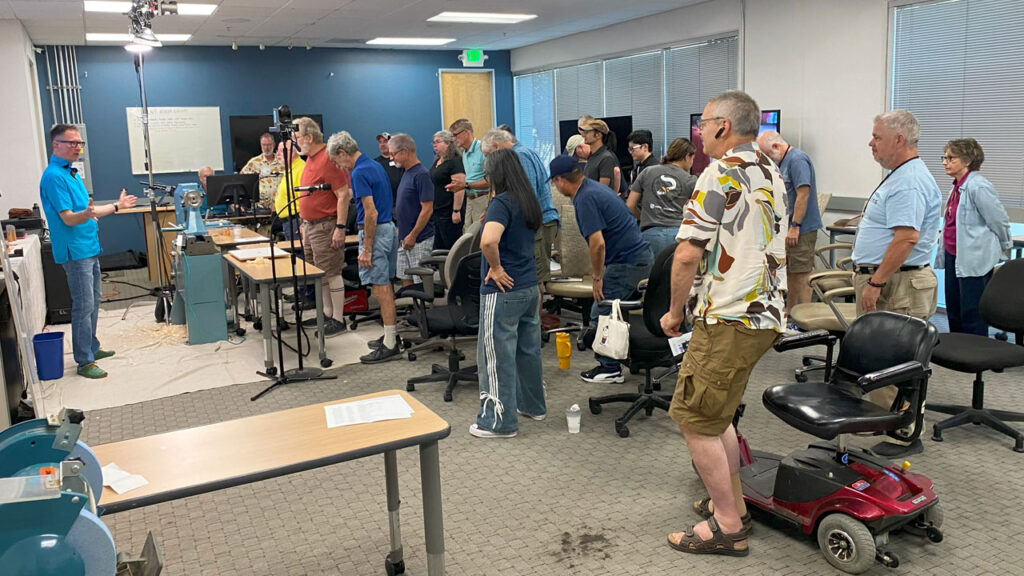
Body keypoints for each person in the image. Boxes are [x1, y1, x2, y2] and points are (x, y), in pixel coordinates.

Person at [659, 90, 787, 557]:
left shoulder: (719, 171)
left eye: (704, 123)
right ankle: (733, 503)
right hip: (764, 315)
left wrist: (675, 313)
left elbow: (688, 251)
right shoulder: (770, 168)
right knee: (718, 416)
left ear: (723, 127)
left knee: (694, 419)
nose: (698, 132)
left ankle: (729, 525)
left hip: (730, 316)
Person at [853, 109, 941, 457]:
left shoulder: (909, 180)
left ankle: (901, 434)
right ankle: (889, 422)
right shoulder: (901, 174)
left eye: (877, 137)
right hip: (891, 280)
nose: (870, 143)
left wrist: (875, 282)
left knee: (895, 360)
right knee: (882, 360)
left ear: (899, 140)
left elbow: (906, 238)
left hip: (896, 284)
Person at [39, 124, 138, 379]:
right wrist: (86, 215)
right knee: (83, 306)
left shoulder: (71, 174)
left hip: (89, 247)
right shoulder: (53, 177)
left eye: (79, 143)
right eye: (72, 143)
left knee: (94, 301)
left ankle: (92, 347)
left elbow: (89, 213)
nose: (77, 148)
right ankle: (84, 361)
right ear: (56, 144)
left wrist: (117, 205)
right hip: (75, 252)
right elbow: (70, 219)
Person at [549, 154, 653, 384]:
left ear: (560, 180)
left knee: (601, 311)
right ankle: (622, 357)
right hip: (639, 257)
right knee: (617, 310)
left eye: (554, 182)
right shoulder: (594, 188)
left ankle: (610, 368)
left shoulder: (584, 198)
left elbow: (597, 244)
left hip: (627, 262)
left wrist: (597, 277)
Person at [471, 148, 546, 438]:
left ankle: (497, 422)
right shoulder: (528, 200)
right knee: (528, 352)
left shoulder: (501, 202)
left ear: (495, 175)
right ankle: (533, 406)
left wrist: (497, 268)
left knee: (495, 357)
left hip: (501, 291)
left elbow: (489, 241)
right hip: (528, 288)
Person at [327, 131, 403, 362]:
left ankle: (390, 344)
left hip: (376, 232)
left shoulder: (359, 172)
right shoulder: (374, 165)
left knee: (380, 289)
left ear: (342, 153)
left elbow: (370, 212)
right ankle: (390, 335)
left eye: (336, 161)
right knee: (385, 286)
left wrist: (367, 248)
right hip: (389, 229)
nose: (338, 167)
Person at [935, 138, 1011, 336]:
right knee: (954, 308)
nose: (945, 162)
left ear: (967, 161)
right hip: (955, 254)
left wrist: (1005, 245)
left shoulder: (978, 186)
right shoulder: (956, 186)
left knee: (971, 311)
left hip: (973, 257)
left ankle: (975, 353)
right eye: (944, 157)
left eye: (950, 158)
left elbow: (999, 220)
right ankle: (957, 351)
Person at [481, 129, 560, 296]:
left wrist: (499, 213)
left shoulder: (519, 156)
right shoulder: (523, 151)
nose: (490, 161)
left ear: (496, 146)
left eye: (488, 155)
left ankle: (535, 321)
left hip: (539, 223)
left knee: (534, 280)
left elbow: (524, 196)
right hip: (539, 221)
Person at [294, 117, 352, 337]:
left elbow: (343, 194)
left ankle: (338, 317)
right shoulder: (310, 159)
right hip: (310, 226)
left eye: (297, 137)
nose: (296, 142)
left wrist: (339, 227)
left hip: (325, 225)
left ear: (309, 137)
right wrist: (303, 221)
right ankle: (327, 313)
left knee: (331, 270)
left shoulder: (327, 159)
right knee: (320, 272)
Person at [756, 130, 823, 313]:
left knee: (802, 275)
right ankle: (791, 312)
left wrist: (795, 226)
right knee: (791, 273)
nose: (767, 159)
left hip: (801, 229)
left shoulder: (797, 160)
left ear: (776, 146)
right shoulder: (784, 161)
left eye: (767, 154)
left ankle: (804, 317)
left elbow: (803, 194)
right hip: (788, 228)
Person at [626, 137, 698, 257]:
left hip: (648, 235)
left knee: (649, 275)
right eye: (693, 159)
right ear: (687, 156)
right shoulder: (691, 180)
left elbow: (630, 205)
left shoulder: (647, 172)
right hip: (678, 236)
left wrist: (644, 216)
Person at [389, 133, 435, 287]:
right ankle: (413, 311)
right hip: (405, 239)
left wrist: (413, 235)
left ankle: (424, 311)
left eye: (393, 154)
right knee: (405, 279)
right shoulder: (407, 173)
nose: (391, 158)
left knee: (420, 283)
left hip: (419, 240)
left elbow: (427, 209)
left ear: (405, 151)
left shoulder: (421, 175)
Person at [445, 119, 489, 227]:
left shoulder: (483, 149)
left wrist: (465, 185)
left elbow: (491, 182)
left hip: (483, 199)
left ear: (466, 132)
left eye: (455, 135)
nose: (454, 139)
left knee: (479, 238)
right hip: (469, 200)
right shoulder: (464, 153)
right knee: (468, 236)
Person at [429, 130, 465, 250]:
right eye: (433, 142)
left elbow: (459, 187)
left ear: (448, 143)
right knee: (439, 246)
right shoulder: (437, 161)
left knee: (451, 245)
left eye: (438, 142)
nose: (435, 145)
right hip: (438, 210)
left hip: (449, 210)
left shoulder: (454, 161)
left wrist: (456, 210)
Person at [240, 132, 284, 208]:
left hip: (280, 204)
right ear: (261, 145)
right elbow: (241, 178)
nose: (266, 148)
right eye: (264, 145)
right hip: (261, 206)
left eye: (269, 145)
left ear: (274, 145)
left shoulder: (282, 161)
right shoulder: (254, 162)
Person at [579, 118, 622, 196]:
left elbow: (602, 190)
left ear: (598, 135)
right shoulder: (592, 157)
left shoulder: (606, 158)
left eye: (587, 132)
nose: (584, 135)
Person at [374, 132, 404, 201]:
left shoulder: (399, 160)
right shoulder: (375, 163)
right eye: (380, 142)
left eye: (385, 141)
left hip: (400, 201)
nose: (382, 145)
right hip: (383, 202)